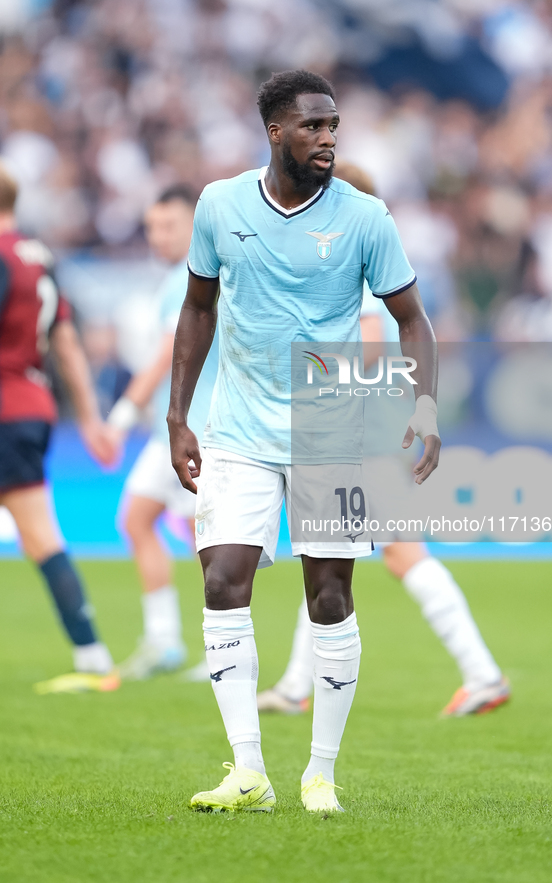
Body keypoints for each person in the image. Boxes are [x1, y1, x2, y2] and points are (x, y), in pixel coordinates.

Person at [167, 70, 440, 814]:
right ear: (274, 131)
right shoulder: (220, 205)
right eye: (312, 126)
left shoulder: (364, 216)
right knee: (223, 579)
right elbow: (197, 307)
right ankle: (247, 769)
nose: (326, 139)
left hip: (331, 415)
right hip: (239, 424)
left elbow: (411, 317)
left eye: (333, 127)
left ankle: (319, 771)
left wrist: (424, 405)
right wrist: (176, 415)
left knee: (329, 593)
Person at [258, 163, 510, 719]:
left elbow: (369, 352)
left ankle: (483, 673)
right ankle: (299, 684)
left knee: (397, 554)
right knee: (327, 550)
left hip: (363, 435)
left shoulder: (353, 262)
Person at [0, 161, 120, 694]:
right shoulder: (40, 256)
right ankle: (92, 652)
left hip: (4, 404)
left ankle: (93, 653)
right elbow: (66, 342)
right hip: (32, 404)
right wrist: (90, 415)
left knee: (40, 534)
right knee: (40, 534)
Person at [108, 186, 218, 681]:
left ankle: (221, 644)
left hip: (195, 429)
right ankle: (164, 640)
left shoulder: (189, 278)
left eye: (168, 226)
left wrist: (122, 413)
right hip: (169, 430)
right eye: (152, 227)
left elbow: (164, 355)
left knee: (207, 540)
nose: (158, 237)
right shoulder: (179, 278)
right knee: (136, 518)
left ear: (193, 227)